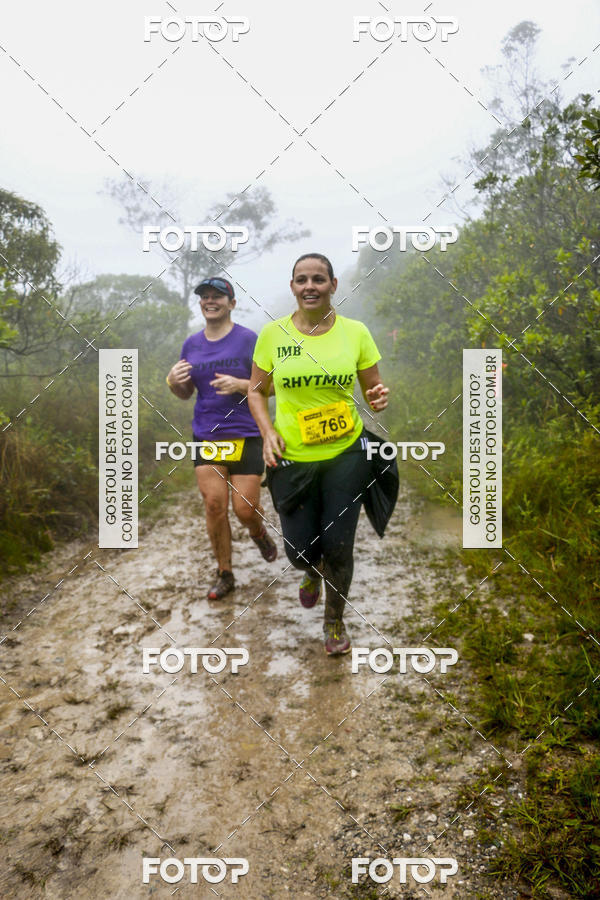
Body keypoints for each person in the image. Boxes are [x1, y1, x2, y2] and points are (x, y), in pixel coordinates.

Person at [248, 254, 390, 656]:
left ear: (333, 285)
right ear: (292, 286)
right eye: (302, 280)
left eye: (318, 279)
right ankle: (309, 572)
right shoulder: (273, 335)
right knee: (298, 550)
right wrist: (268, 430)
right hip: (292, 457)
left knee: (339, 546)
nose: (310, 286)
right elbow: (256, 391)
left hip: (346, 454)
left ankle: (334, 622)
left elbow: (373, 391)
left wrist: (378, 399)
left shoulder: (356, 333)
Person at [166, 276, 277, 600]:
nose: (210, 301)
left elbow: (269, 388)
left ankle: (258, 533)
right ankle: (224, 573)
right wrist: (173, 382)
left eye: (218, 296)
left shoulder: (249, 340)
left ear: (231, 303)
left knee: (245, 509)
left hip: (246, 432)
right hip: (208, 434)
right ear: (201, 303)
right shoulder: (192, 344)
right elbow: (186, 392)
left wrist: (240, 384)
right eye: (205, 297)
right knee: (214, 505)